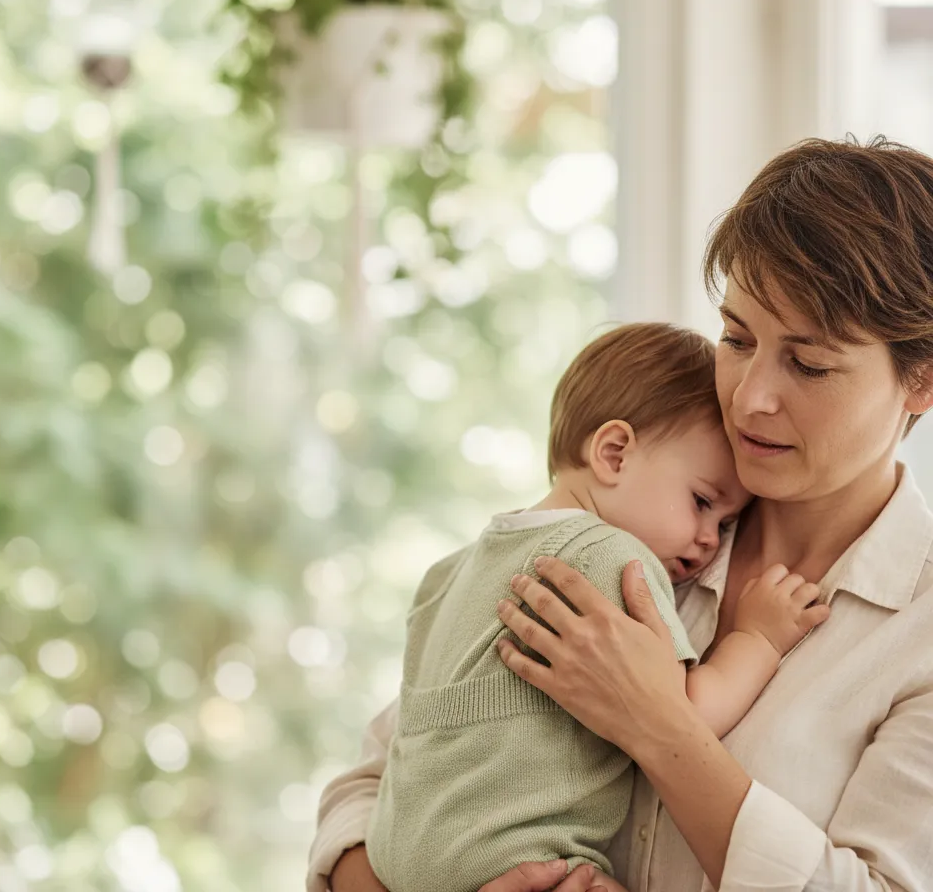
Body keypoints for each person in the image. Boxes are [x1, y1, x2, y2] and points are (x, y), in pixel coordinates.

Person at [307, 137, 933, 892]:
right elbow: (379, 778)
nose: (748, 396)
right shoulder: (642, 521)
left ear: (921, 381)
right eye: (736, 338)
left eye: (808, 363)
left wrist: (657, 726)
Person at [366, 323, 827, 892]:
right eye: (703, 502)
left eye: (726, 523)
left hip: (397, 859)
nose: (710, 539)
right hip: (524, 865)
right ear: (613, 454)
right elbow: (683, 715)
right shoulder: (612, 559)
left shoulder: (450, 570)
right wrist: (759, 638)